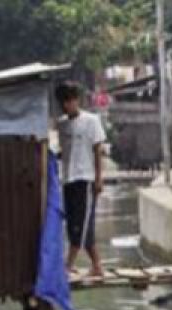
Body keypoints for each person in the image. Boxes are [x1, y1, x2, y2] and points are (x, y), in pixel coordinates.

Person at [55, 81, 107, 277]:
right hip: (68, 179)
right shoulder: (61, 124)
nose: (67, 106)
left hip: (86, 178)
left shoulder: (92, 121)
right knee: (73, 223)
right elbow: (64, 151)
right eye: (63, 102)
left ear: (76, 100)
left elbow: (97, 151)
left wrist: (99, 179)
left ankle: (68, 265)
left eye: (69, 101)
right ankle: (97, 265)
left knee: (83, 222)